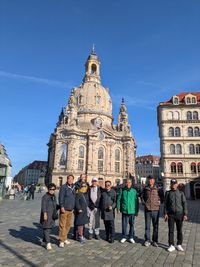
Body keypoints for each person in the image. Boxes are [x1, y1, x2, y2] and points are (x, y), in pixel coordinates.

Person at [164, 178, 188, 252]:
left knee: (179, 230)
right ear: (171, 185)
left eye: (175, 184)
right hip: (171, 214)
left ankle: (179, 244)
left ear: (177, 184)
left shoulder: (181, 193)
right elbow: (165, 204)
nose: (173, 185)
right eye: (172, 184)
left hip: (179, 214)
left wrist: (185, 214)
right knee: (171, 230)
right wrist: (165, 213)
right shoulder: (168, 193)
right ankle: (171, 245)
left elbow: (184, 204)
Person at [141, 175, 164, 247]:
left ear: (154, 180)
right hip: (147, 209)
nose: (150, 181)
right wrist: (144, 203)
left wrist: (160, 202)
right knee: (147, 226)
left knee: (155, 226)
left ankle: (155, 241)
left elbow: (162, 196)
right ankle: (147, 240)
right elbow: (142, 196)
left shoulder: (158, 188)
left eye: (152, 180)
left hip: (156, 210)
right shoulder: (145, 188)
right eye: (149, 180)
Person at [117, 179, 139, 244]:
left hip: (132, 210)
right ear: (125, 183)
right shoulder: (122, 190)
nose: (128, 184)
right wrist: (118, 207)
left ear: (131, 183)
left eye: (129, 182)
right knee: (124, 224)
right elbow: (119, 199)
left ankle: (131, 237)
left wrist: (137, 210)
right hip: (125, 210)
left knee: (132, 224)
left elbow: (136, 201)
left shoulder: (134, 191)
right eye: (127, 182)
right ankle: (124, 236)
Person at [58, 174, 76, 248]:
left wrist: (74, 207)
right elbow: (60, 197)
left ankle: (64, 238)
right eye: (69, 179)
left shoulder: (73, 187)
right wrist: (61, 206)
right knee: (62, 225)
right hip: (64, 209)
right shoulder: (63, 187)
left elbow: (74, 198)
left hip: (71, 209)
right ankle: (61, 240)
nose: (70, 180)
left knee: (68, 225)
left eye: (71, 179)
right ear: (67, 179)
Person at [40, 183, 58, 250]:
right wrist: (44, 214)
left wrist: (61, 206)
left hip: (52, 215)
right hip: (46, 215)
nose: (52, 190)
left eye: (53, 189)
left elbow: (55, 205)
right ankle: (48, 243)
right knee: (46, 228)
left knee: (49, 228)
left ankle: (44, 241)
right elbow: (43, 206)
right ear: (48, 189)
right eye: (51, 189)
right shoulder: (45, 197)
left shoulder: (54, 196)